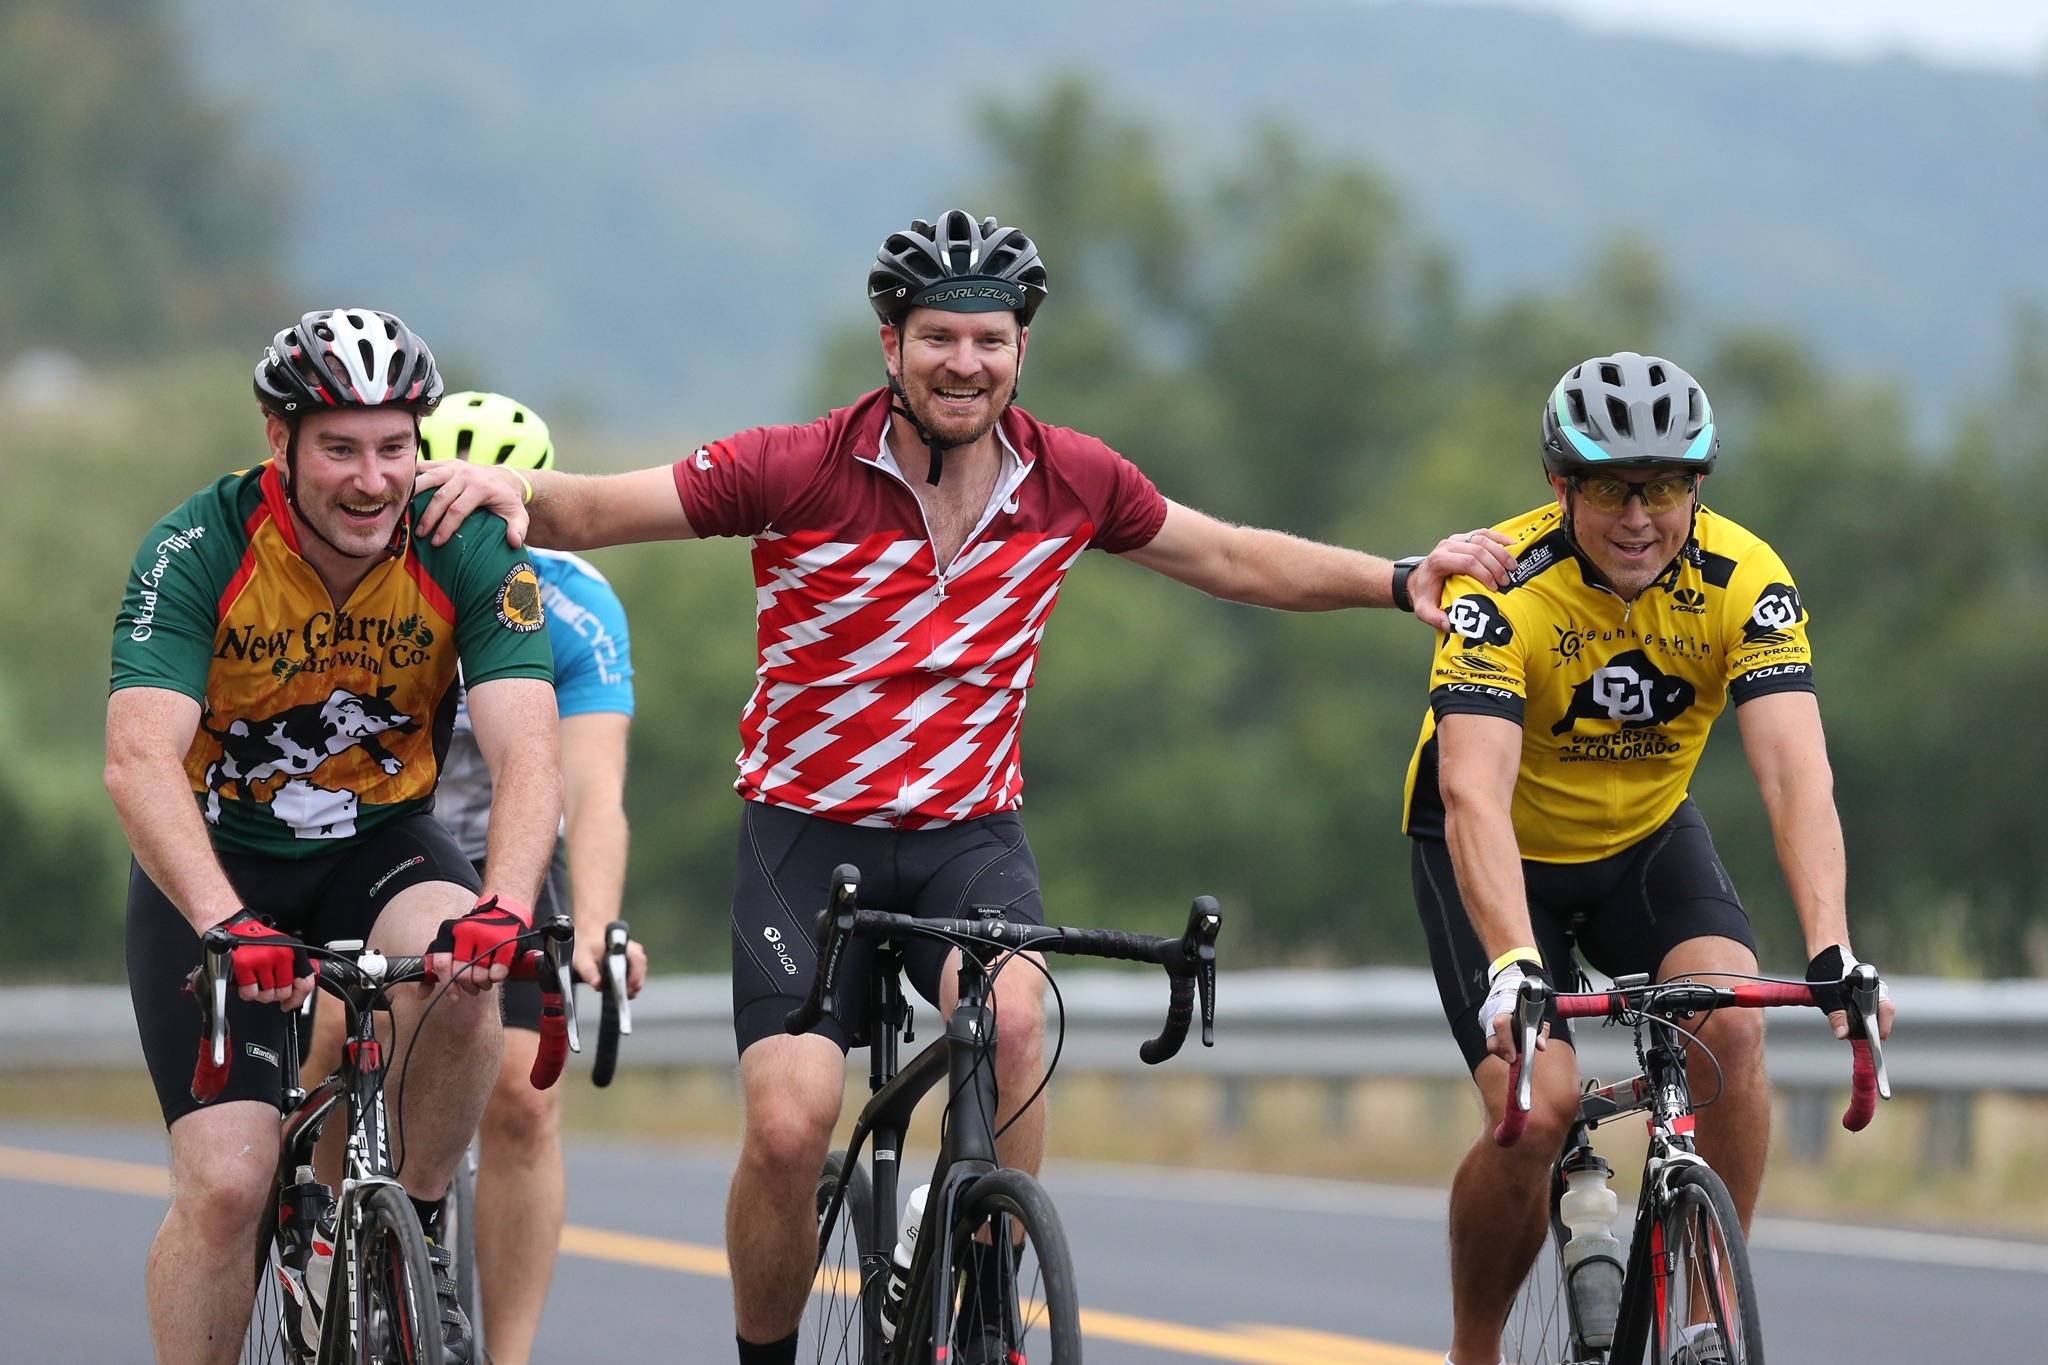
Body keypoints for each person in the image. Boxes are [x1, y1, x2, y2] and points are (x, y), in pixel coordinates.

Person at [413, 210, 1517, 1365]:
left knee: (1019, 1017)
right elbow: (596, 509)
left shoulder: (1069, 478)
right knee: (791, 1130)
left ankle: (983, 1293)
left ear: (1020, 350)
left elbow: (1233, 557)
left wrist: (1397, 581)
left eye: (989, 340)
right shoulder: (792, 466)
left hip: (965, 836)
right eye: (938, 336)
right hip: (803, 838)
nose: (964, 362)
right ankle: (766, 1354)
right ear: (889, 344)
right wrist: (483, 491)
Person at [1399, 351, 1897, 1365]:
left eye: (1663, 486)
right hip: (1495, 852)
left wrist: (1832, 947)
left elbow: (1796, 778)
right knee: (1537, 1114)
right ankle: (1471, 1349)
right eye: (1608, 488)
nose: (1638, 516)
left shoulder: (1744, 579)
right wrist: (1510, 967)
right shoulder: (1499, 588)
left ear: (1695, 488)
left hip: (1641, 839)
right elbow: (1471, 794)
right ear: (1558, 487)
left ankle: (1708, 1307)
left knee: (1733, 1029)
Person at [107, 310, 563, 1365]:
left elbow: (527, 749)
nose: (372, 479)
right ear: (280, 441)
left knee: (466, 966)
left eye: (394, 447)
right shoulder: (199, 546)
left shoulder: (466, 544)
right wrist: (225, 921)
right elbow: (137, 761)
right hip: (218, 865)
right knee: (227, 1189)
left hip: (381, 846)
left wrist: (503, 904)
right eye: (340, 448)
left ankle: (416, 1229)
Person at [419, 391, 649, 1364]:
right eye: (441, 502)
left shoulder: (572, 601)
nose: (469, 530)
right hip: (382, 836)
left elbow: (593, 789)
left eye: (493, 510)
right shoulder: (367, 582)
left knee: (523, 1096)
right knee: (349, 1018)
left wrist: (596, 924)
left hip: (509, 852)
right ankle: (324, 1244)